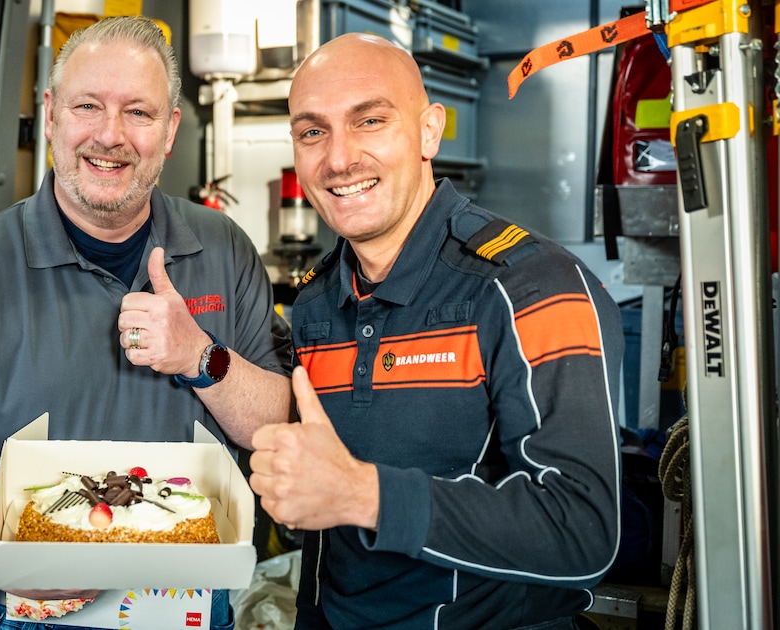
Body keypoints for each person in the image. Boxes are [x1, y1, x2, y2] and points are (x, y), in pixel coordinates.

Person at [0, 15, 293, 630]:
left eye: (138, 113)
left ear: (170, 131)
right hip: (29, 615)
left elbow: (275, 425)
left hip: (193, 609)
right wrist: (14, 563)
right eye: (88, 106)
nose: (110, 135)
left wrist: (202, 357)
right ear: (50, 115)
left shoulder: (224, 248)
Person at [248, 33, 623, 629]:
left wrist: (365, 494)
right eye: (313, 131)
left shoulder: (533, 286)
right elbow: (326, 538)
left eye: (370, 120)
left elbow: (581, 530)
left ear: (429, 132)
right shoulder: (318, 300)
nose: (338, 159)